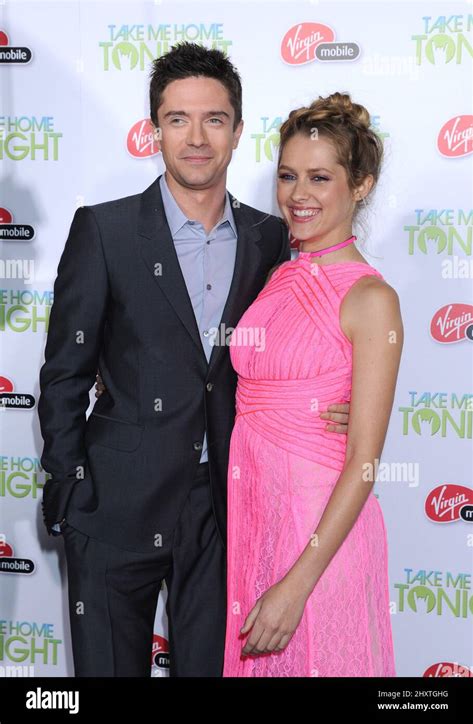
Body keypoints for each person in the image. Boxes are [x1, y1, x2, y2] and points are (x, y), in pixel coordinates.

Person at [37, 43, 350, 677]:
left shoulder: (271, 237)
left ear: (237, 130)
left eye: (214, 118)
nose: (197, 137)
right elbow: (64, 373)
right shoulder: (106, 230)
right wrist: (72, 489)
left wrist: (329, 405)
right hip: (112, 506)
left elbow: (301, 332)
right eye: (178, 118)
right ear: (155, 130)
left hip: (224, 509)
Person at [223, 92, 403, 677]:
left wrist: (297, 585)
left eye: (320, 178)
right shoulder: (278, 273)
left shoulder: (372, 299)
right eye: (288, 176)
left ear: (361, 186)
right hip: (256, 524)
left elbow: (364, 464)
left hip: (320, 546)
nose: (298, 195)